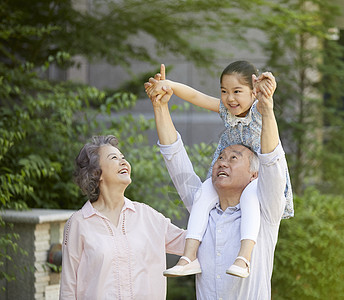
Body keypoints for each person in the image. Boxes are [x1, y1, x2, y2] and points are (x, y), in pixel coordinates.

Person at [146, 67, 288, 299]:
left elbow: (272, 161)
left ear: (254, 173)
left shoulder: (265, 211)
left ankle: (244, 258)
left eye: (234, 157)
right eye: (221, 157)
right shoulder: (202, 209)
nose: (223, 162)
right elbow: (175, 158)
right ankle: (188, 258)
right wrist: (160, 106)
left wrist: (267, 108)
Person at [59, 135, 186, 300]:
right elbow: (68, 290)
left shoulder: (148, 216)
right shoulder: (78, 223)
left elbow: (189, 243)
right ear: (97, 173)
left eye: (123, 158)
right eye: (114, 158)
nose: (123, 162)